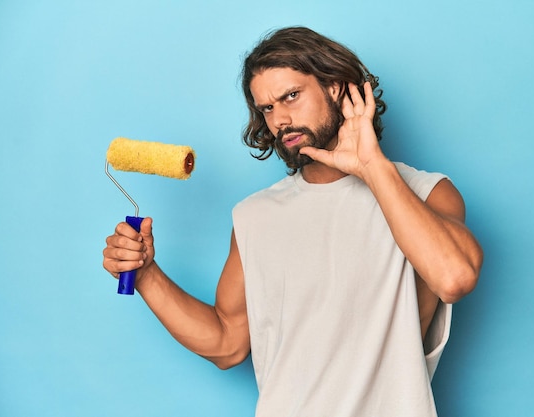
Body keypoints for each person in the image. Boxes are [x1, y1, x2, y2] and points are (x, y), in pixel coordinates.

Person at [103, 26, 483, 416]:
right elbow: (226, 343)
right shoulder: (255, 216)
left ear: (336, 88)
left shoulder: (426, 192)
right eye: (267, 108)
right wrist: (146, 274)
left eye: (291, 96)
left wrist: (372, 166)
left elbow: (455, 277)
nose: (280, 119)